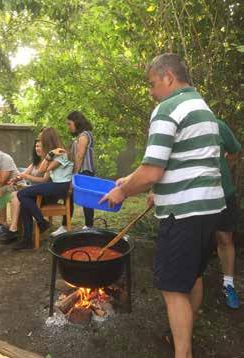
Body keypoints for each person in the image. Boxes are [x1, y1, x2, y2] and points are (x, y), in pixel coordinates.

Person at [101, 53, 225, 358]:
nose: (152, 91)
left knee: (172, 288)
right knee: (192, 276)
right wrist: (129, 179)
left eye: (153, 84)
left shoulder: (167, 108)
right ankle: (183, 334)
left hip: (182, 214)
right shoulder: (201, 107)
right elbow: (181, 162)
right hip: (209, 210)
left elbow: (153, 171)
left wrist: (123, 192)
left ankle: (182, 352)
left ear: (168, 77)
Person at [14, 128, 73, 250]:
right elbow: (41, 169)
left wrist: (49, 155)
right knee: (24, 203)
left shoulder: (62, 153)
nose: (41, 144)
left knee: (22, 194)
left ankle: (41, 222)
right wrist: (50, 155)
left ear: (48, 141)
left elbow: (42, 170)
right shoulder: (54, 154)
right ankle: (27, 240)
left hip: (60, 187)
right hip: (56, 186)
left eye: (42, 141)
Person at [50, 111, 95, 237]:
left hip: (84, 172)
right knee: (68, 196)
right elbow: (74, 156)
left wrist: (73, 175)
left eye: (69, 124)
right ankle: (65, 226)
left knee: (86, 199)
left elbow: (80, 157)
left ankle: (89, 226)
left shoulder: (85, 135)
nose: (68, 127)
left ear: (77, 122)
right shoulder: (79, 136)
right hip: (80, 171)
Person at [0, 139, 50, 245]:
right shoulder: (35, 163)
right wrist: (15, 179)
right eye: (36, 146)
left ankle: (15, 231)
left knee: (18, 196)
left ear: (46, 148)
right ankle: (18, 231)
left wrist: (26, 176)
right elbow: (23, 174)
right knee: (16, 197)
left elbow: (44, 180)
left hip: (43, 195)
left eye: (40, 146)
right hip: (32, 194)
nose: (37, 148)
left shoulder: (49, 162)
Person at [215, 118, 241, 309]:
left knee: (225, 238)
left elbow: (234, 151)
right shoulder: (176, 124)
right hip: (195, 199)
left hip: (224, 193)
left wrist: (222, 163)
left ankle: (228, 284)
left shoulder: (218, 125)